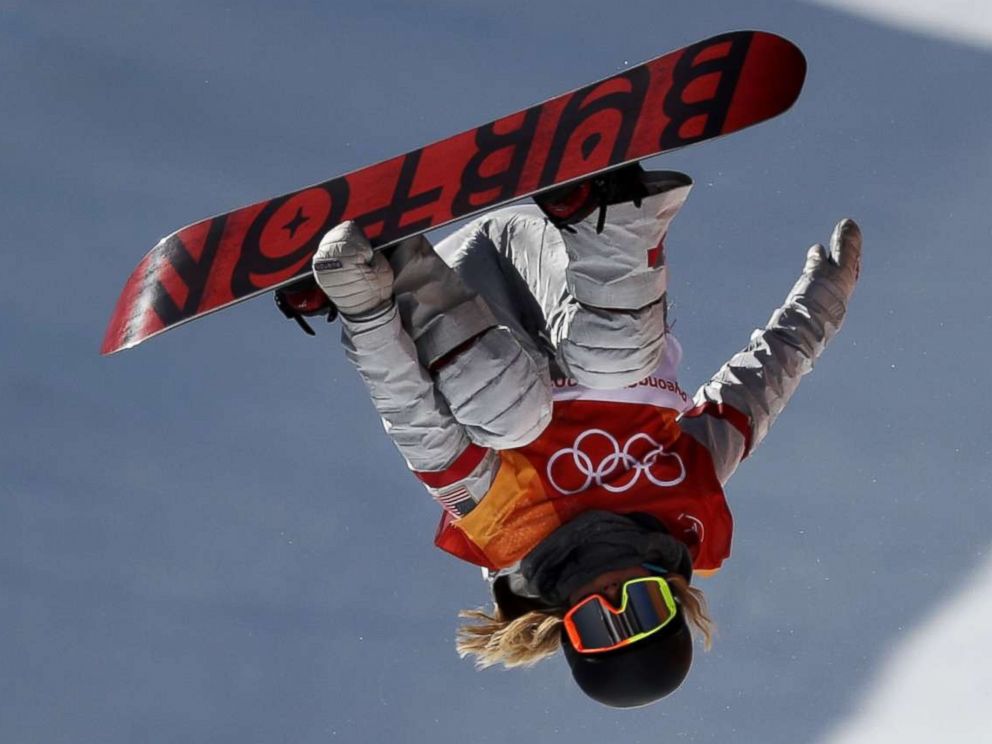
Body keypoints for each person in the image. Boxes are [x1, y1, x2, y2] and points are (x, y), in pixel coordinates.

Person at [297, 165, 861, 708]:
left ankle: (392, 265)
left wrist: (366, 313)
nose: (614, 596)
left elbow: (415, 418)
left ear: (566, 624)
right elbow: (763, 381)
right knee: (614, 366)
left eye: (598, 622)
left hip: (450, 289)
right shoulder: (689, 497)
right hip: (559, 261)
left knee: (510, 419)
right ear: (675, 595)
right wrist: (826, 301)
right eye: (644, 606)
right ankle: (611, 207)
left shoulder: (508, 532)